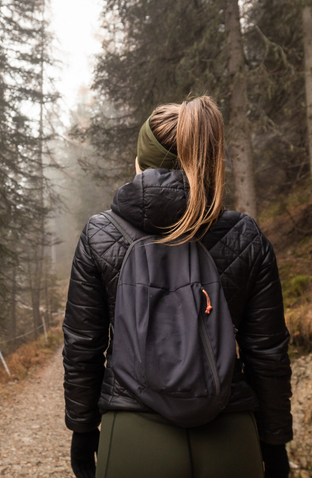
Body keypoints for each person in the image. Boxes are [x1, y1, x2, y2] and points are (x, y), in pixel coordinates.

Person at [62, 96, 293, 478]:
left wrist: (83, 430)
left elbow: (82, 346)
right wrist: (275, 439)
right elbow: (267, 351)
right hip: (230, 433)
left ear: (139, 162)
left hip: (131, 432)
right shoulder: (244, 236)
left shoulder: (100, 235)